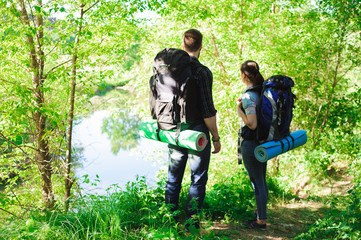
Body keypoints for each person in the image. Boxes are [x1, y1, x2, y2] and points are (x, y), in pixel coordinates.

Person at [165, 29, 221, 231]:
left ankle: (170, 220)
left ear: (183, 45)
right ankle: (191, 225)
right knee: (197, 179)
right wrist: (215, 137)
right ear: (201, 46)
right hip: (197, 133)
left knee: (173, 178)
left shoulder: (170, 69)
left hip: (173, 131)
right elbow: (208, 110)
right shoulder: (202, 72)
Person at [236, 60, 268, 230]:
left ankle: (261, 221)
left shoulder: (249, 96)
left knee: (257, 182)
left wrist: (239, 110)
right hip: (263, 142)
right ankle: (260, 213)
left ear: (243, 75)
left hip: (251, 144)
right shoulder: (261, 91)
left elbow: (252, 123)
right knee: (261, 179)